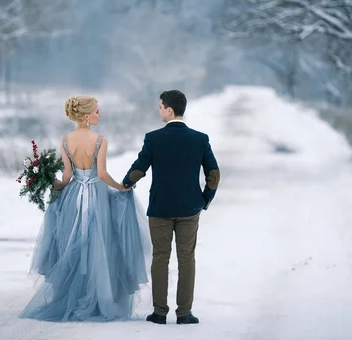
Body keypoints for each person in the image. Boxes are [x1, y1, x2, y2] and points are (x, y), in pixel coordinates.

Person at [20, 95, 150, 322]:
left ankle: (75, 296)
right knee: (100, 244)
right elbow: (100, 174)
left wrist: (50, 181)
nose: (100, 115)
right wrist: (120, 187)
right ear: (87, 115)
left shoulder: (65, 140)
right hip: (97, 196)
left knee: (74, 244)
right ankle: (99, 299)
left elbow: (67, 177)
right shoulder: (100, 140)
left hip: (73, 197)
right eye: (98, 111)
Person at [123, 90, 220, 325]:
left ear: (169, 110)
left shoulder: (154, 138)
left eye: (160, 106)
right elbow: (214, 174)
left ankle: (159, 312)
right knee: (187, 259)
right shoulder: (200, 138)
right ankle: (184, 313)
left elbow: (140, 168)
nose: (159, 110)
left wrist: (126, 183)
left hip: (161, 208)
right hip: (189, 209)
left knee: (160, 258)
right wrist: (204, 200)